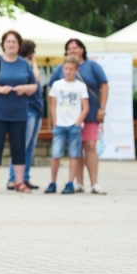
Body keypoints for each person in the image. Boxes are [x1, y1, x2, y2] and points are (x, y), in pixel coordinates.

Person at [48, 39, 108, 194]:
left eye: (75, 47)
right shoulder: (61, 68)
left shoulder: (92, 66)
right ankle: (78, 182)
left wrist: (102, 107)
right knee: (76, 149)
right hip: (67, 117)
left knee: (90, 146)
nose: (72, 50)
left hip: (90, 113)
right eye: (69, 48)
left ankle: (94, 183)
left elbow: (104, 85)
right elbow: (52, 87)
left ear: (82, 49)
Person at [0, 30, 37, 193]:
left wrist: (25, 88)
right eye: (8, 41)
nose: (11, 44)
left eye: (14, 42)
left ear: (19, 45)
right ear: (3, 44)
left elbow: (34, 86)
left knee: (18, 147)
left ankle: (20, 182)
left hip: (19, 113)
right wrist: (0, 89)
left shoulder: (24, 64)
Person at [45, 56, 89, 194]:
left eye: (71, 69)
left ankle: (70, 182)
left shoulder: (81, 86)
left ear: (76, 70)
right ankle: (52, 182)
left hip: (74, 124)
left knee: (74, 154)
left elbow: (85, 106)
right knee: (56, 154)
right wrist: (55, 120)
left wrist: (78, 122)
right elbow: (52, 104)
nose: (68, 71)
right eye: (66, 68)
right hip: (60, 124)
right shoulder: (57, 84)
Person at [7, 39, 42, 191]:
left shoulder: (24, 66)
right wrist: (33, 61)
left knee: (30, 147)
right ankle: (13, 178)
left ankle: (25, 177)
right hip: (27, 109)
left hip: (36, 109)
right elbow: (37, 78)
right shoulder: (24, 66)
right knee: (21, 145)